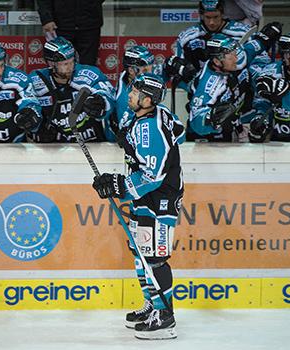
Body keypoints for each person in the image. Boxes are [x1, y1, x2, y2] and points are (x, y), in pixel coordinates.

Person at [92, 73, 185, 340]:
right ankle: (152, 305)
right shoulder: (152, 114)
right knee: (140, 252)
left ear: (147, 99)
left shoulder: (150, 127)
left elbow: (152, 176)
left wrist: (118, 185)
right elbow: (177, 129)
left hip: (159, 196)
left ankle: (165, 316)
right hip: (146, 196)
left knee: (154, 257)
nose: (129, 95)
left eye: (134, 92)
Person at [188, 22, 282, 142]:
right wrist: (211, 117)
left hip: (240, 117)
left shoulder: (238, 57)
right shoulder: (209, 86)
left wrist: (266, 37)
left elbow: (254, 47)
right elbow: (196, 121)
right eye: (231, 55)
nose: (236, 58)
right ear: (217, 61)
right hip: (214, 134)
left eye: (235, 52)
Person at [29, 36, 115, 143]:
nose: (70, 67)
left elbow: (108, 95)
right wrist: (35, 126)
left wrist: (101, 103)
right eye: (65, 64)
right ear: (51, 64)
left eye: (72, 61)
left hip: (92, 144)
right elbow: (28, 104)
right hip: (54, 148)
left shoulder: (89, 74)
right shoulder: (35, 80)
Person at [174, 0, 252, 72]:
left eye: (216, 17)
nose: (212, 22)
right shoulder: (187, 37)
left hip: (237, 81)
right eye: (208, 17)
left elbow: (257, 61)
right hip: (199, 83)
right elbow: (178, 66)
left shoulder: (243, 32)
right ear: (201, 15)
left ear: (222, 14)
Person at [36, 0, 104, 66]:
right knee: (60, 63)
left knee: (88, 63)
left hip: (90, 25)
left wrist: (92, 5)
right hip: (61, 25)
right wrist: (47, 19)